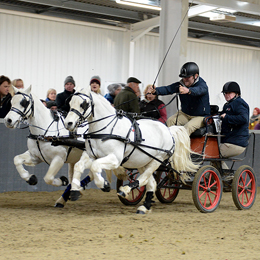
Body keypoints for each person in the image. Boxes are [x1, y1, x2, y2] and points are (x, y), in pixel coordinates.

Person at [149, 62, 210, 135]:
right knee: (170, 121)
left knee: (188, 127)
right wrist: (156, 91)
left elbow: (199, 90)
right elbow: (168, 89)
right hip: (185, 114)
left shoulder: (202, 85)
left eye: (188, 77)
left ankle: (182, 145)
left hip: (200, 116)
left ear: (195, 76)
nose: (185, 79)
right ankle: (170, 144)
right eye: (183, 77)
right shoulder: (181, 85)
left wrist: (188, 91)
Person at [219, 81, 249, 169]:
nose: (226, 95)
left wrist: (227, 117)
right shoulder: (228, 105)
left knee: (214, 153)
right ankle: (220, 176)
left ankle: (228, 177)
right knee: (214, 156)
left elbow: (244, 119)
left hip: (237, 142)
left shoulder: (239, 103)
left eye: (229, 93)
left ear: (236, 94)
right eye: (225, 93)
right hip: (229, 140)